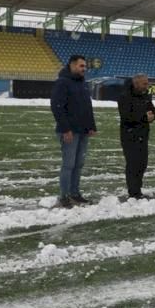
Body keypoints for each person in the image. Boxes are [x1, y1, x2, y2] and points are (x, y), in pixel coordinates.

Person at [50, 55, 97, 208]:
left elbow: (87, 107)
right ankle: (63, 197)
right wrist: (65, 129)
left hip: (83, 130)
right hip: (70, 131)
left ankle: (75, 194)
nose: (84, 69)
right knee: (69, 164)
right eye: (81, 66)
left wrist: (91, 126)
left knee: (79, 164)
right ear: (71, 65)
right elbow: (57, 107)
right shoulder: (62, 82)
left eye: (85, 66)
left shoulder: (82, 83)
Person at [118, 73, 155, 200]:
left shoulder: (145, 96)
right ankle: (133, 192)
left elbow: (153, 111)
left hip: (143, 134)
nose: (147, 85)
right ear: (136, 84)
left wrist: (152, 116)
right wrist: (145, 117)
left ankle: (137, 190)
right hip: (130, 135)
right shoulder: (124, 96)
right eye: (144, 83)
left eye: (147, 83)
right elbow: (127, 116)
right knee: (133, 164)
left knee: (142, 164)